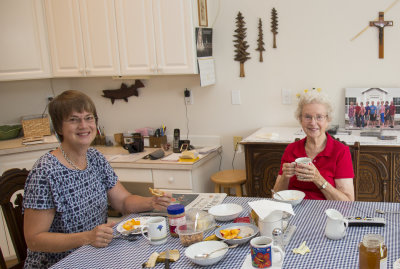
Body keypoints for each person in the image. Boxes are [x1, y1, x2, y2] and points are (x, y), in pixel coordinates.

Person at [23, 90, 172, 268]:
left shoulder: (95, 157)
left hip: (93, 254)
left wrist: (152, 202)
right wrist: (87, 237)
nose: (83, 125)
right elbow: (34, 239)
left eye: (88, 118)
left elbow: (123, 201)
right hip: (59, 262)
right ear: (59, 128)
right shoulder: (45, 172)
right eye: (73, 119)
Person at [273, 91, 354, 201]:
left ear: (328, 120)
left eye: (319, 117)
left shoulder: (341, 151)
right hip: (293, 211)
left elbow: (348, 202)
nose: (313, 122)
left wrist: (318, 179)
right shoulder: (291, 149)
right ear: (300, 119)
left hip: (326, 213)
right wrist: (284, 177)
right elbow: (276, 196)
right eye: (307, 117)